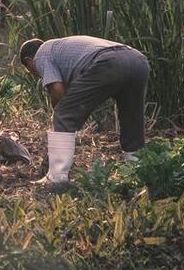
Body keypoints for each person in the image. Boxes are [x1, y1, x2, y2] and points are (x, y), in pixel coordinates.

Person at [18, 35, 150, 190]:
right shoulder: (60, 48)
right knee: (131, 118)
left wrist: (59, 119)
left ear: (28, 62)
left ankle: (56, 179)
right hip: (137, 61)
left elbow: (57, 91)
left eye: (30, 71)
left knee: (63, 114)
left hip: (109, 63)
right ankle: (136, 171)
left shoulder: (41, 54)